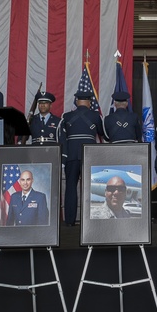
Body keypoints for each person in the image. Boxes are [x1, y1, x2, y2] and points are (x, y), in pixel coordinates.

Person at [58, 90, 104, 226]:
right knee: (91, 188)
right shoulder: (95, 116)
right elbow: (102, 133)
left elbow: (60, 136)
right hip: (90, 154)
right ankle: (90, 221)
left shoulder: (66, 116)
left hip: (71, 155)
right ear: (89, 102)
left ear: (77, 102)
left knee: (70, 187)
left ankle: (70, 221)